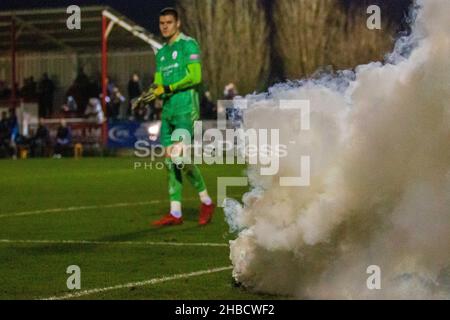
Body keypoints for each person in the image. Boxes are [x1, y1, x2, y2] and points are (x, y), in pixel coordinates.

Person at [144, 7, 215, 227]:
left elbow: (195, 77)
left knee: (179, 158)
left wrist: (169, 86)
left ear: (178, 24)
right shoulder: (162, 53)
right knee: (169, 161)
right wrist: (152, 92)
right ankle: (175, 213)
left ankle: (206, 200)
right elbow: (158, 83)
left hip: (186, 110)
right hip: (168, 112)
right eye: (161, 23)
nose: (165, 26)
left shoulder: (188, 45)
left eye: (168, 22)